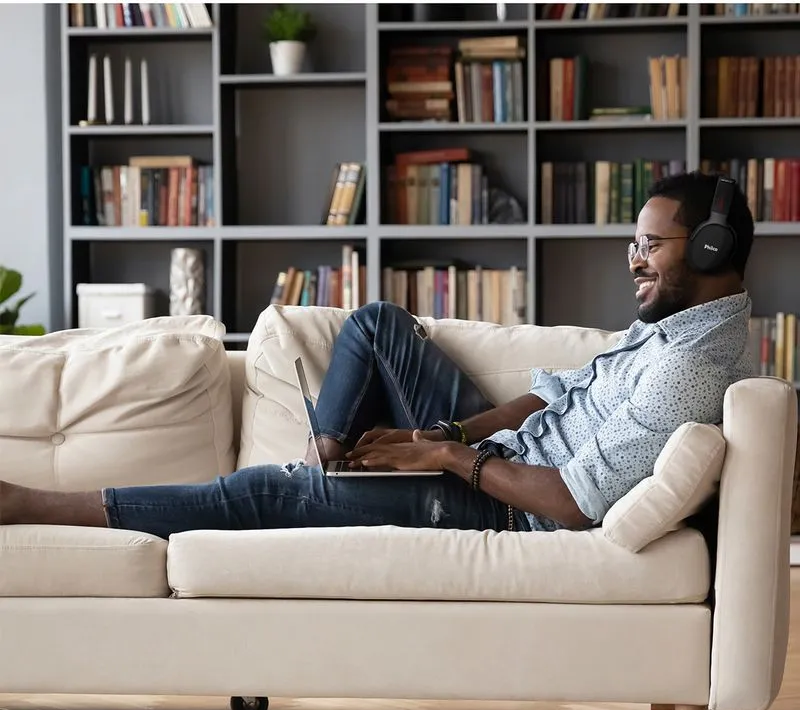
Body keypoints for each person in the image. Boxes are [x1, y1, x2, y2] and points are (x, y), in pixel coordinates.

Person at [0, 170, 755, 538]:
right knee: (376, 325)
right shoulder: (670, 328)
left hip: (506, 504)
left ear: (712, 248)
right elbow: (554, 397)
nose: (633, 259)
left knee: (263, 492)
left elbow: (574, 503)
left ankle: (30, 505)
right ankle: (327, 459)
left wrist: (449, 460)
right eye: (634, 243)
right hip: (498, 458)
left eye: (649, 243)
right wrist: (445, 433)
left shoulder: (689, 367)